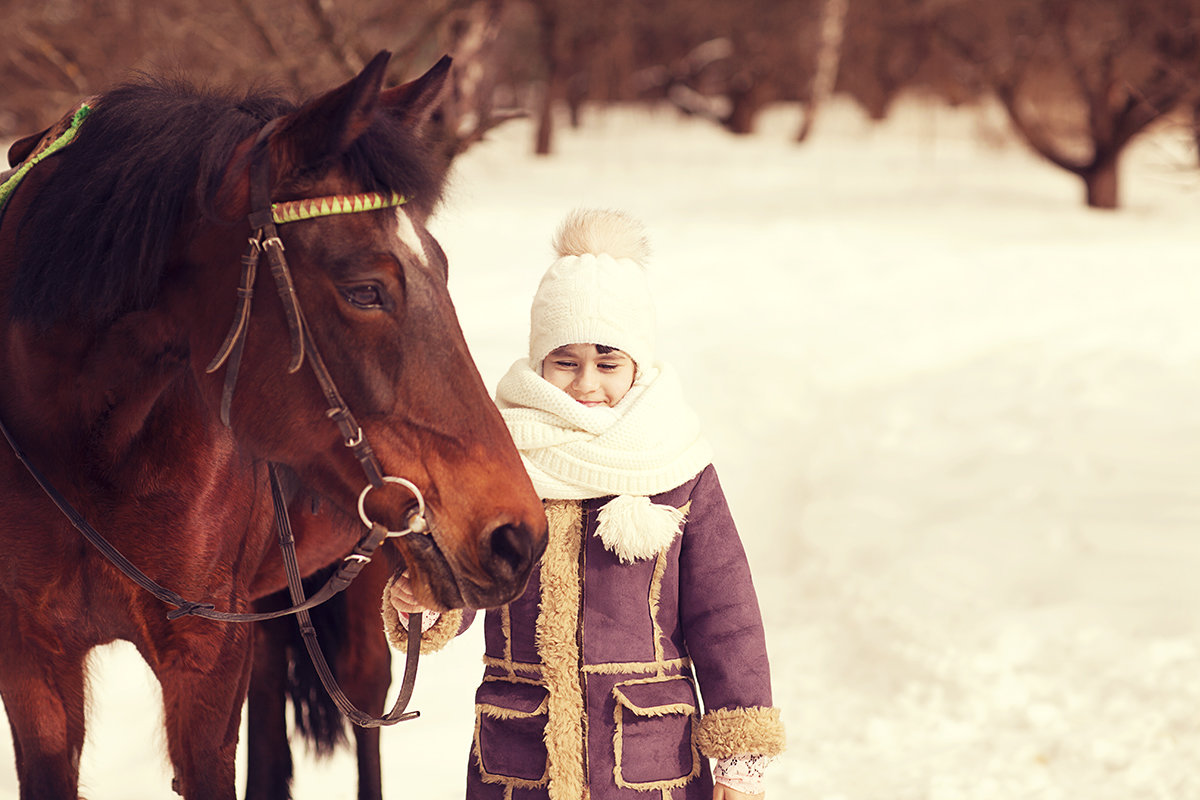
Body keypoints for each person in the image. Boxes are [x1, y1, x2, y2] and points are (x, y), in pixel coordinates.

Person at [382, 209, 785, 799]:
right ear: (539, 363)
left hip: (649, 761)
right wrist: (428, 596)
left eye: (607, 363)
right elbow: (471, 578)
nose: (585, 384)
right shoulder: (504, 459)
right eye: (565, 363)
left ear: (637, 365)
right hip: (522, 755)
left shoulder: (675, 463)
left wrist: (740, 762)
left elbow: (725, 615)